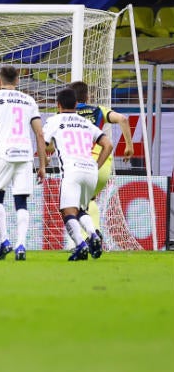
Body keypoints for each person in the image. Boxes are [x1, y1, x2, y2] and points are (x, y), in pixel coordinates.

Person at [0, 66, 47, 262]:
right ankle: (21, 245)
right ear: (18, 81)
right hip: (25, 156)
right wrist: (41, 165)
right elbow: (40, 135)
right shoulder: (29, 100)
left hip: (3, 154)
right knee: (21, 201)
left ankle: (5, 240)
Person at [43, 88, 113, 261]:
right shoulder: (86, 122)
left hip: (72, 170)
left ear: (58, 105)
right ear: (76, 105)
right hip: (90, 170)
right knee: (80, 209)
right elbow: (108, 145)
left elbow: (44, 144)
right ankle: (93, 235)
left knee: (67, 212)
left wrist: (44, 161)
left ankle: (81, 245)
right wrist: (96, 167)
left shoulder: (53, 120)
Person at [69, 80, 134, 238]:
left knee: (75, 203)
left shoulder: (67, 114)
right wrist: (129, 146)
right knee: (88, 199)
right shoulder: (99, 110)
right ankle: (94, 234)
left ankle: (89, 237)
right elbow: (123, 119)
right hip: (103, 163)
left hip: (81, 162)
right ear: (88, 97)